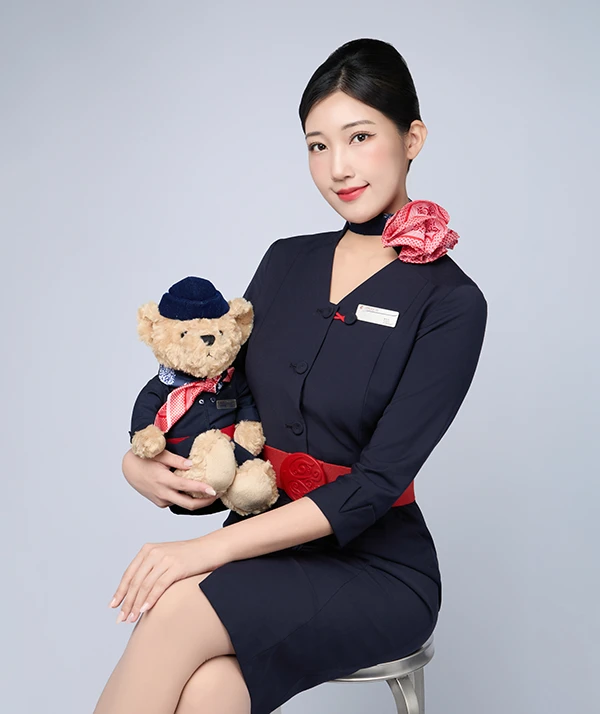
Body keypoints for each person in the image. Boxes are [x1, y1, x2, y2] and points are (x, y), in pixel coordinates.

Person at [93, 38, 488, 714]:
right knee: (208, 691)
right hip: (265, 544)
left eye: (360, 137)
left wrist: (202, 554)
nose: (338, 168)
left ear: (412, 138)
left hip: (378, 571)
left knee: (176, 605)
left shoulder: (451, 303)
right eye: (317, 146)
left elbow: (373, 487)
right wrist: (140, 467)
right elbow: (221, 403)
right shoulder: (285, 262)